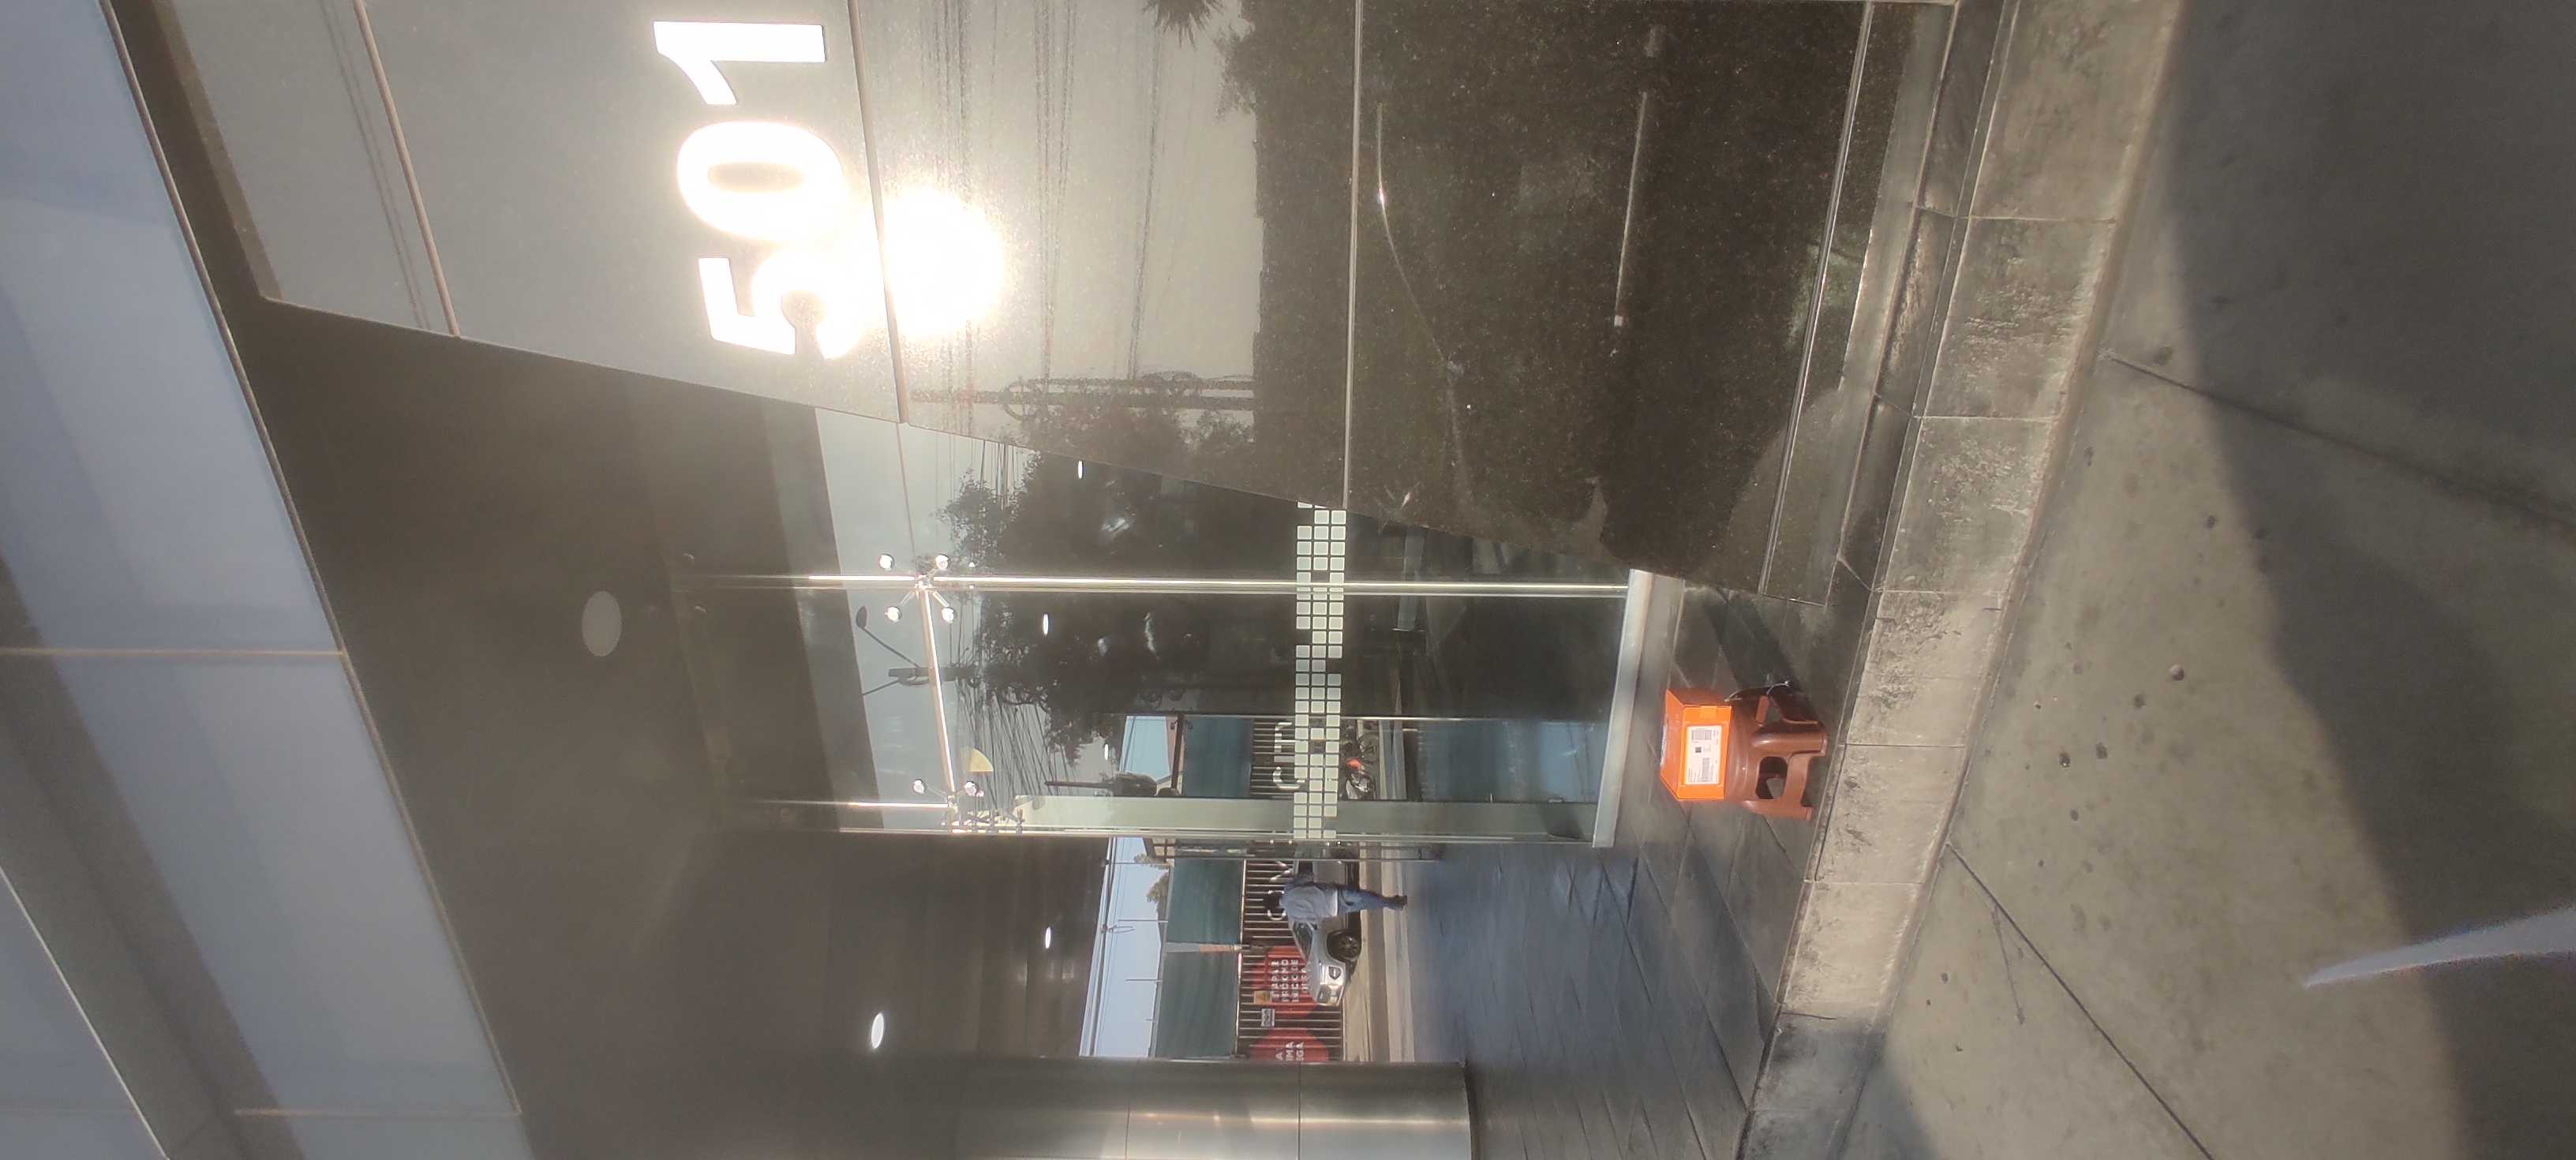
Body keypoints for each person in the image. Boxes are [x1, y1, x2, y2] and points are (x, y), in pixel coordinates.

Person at [1272, 875, 1407, 925]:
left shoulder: (1293, 916)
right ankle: (1391, 903)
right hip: (1331, 894)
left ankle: (1392, 902)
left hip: (1332, 910)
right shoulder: (1289, 888)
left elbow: (1313, 921)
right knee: (1363, 895)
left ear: (1276, 908)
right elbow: (1307, 878)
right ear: (1276, 894)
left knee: (1364, 904)